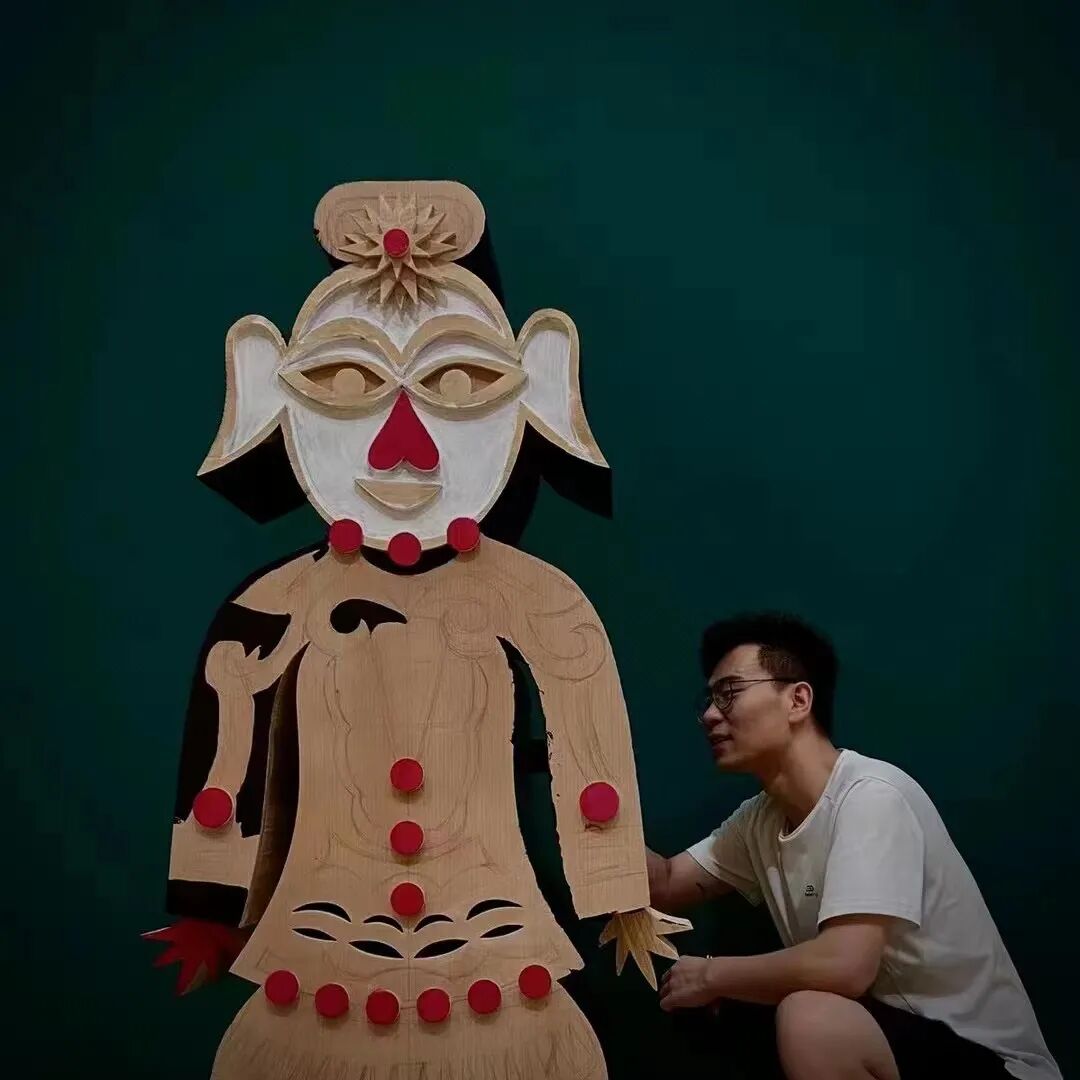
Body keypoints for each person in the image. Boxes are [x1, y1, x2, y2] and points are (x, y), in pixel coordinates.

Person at [649, 613, 1060, 1080]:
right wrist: (595, 807)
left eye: (729, 692)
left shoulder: (870, 796)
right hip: (898, 1043)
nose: (709, 714)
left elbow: (845, 966)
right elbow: (664, 883)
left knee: (811, 1020)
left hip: (994, 1063)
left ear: (798, 700)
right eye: (708, 699)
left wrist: (711, 975)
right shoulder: (759, 820)